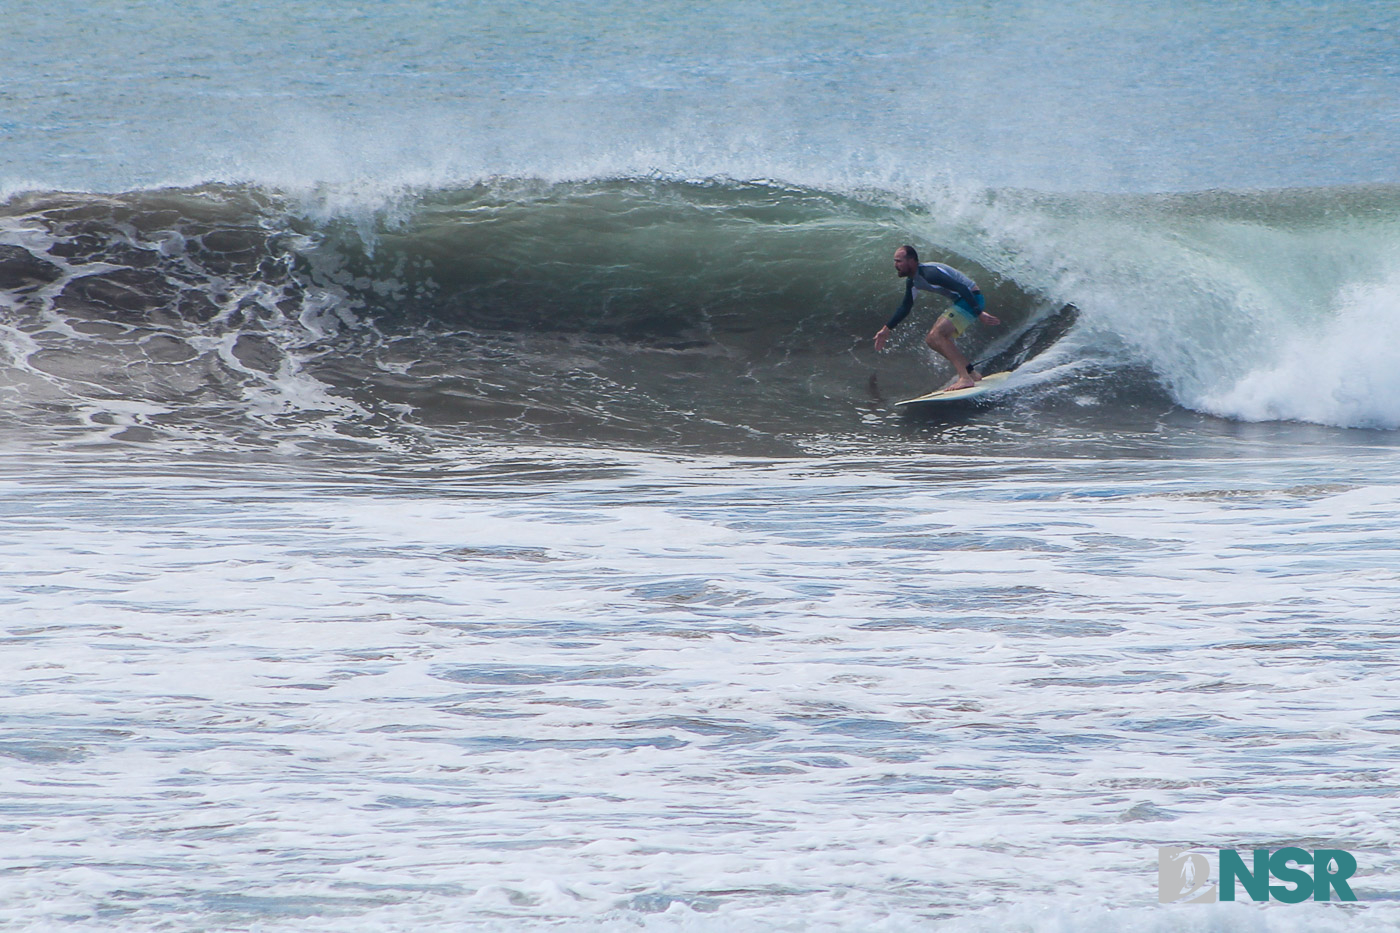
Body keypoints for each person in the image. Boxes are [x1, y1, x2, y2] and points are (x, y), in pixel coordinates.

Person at [873, 245, 1001, 390]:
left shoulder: (930, 273)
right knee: (931, 340)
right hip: (963, 301)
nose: (896, 265)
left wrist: (979, 312)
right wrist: (886, 329)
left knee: (937, 334)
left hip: (971, 298)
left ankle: (965, 378)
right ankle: (971, 373)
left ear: (912, 261)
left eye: (899, 261)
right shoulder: (913, 281)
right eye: (895, 261)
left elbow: (962, 288)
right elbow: (905, 307)